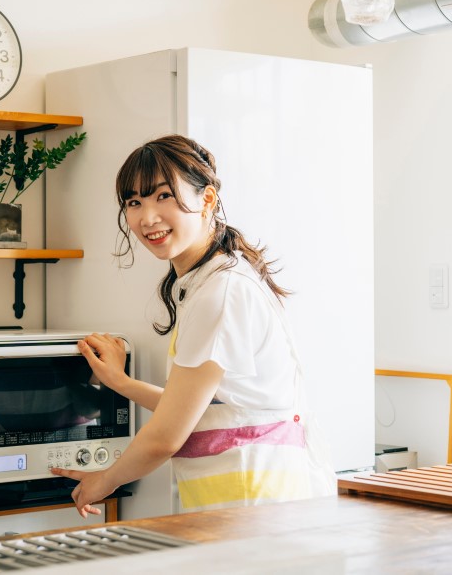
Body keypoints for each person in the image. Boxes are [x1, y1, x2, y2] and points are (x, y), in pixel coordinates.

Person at [52, 134, 336, 517]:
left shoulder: (220, 293)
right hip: (246, 506)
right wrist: (120, 382)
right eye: (134, 202)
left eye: (163, 196)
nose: (147, 217)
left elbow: (166, 437)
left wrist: (103, 481)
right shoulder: (213, 281)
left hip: (254, 508)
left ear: (207, 200)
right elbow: (203, 408)